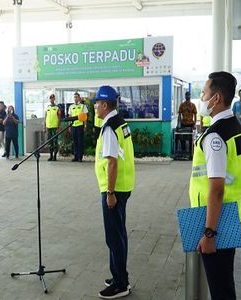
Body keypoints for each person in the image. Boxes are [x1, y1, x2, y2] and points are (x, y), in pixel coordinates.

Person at [190, 72, 241, 299]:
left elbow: (216, 189)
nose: (201, 98)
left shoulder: (215, 136)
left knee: (220, 287)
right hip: (232, 212)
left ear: (215, 99)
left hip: (218, 219)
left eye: (204, 93)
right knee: (223, 281)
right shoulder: (234, 125)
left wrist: (209, 233)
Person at [93, 85, 134, 299]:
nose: (95, 108)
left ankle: (120, 283)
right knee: (119, 234)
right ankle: (119, 275)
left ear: (105, 105)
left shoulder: (109, 127)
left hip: (114, 189)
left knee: (114, 237)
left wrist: (109, 192)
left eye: (97, 104)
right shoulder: (121, 123)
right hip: (123, 186)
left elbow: (112, 162)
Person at [68, 92, 88, 162]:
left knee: (80, 142)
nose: (75, 98)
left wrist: (85, 125)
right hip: (73, 126)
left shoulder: (83, 106)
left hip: (80, 125)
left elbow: (85, 117)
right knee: (75, 142)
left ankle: (80, 157)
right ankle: (75, 156)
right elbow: (70, 117)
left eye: (77, 97)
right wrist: (69, 126)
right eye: (74, 97)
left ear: (79, 98)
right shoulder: (71, 106)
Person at [44, 94, 61, 161]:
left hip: (55, 127)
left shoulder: (57, 108)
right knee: (50, 142)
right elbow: (45, 118)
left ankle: (55, 156)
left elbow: (59, 118)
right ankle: (51, 155)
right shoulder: (47, 107)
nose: (51, 99)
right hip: (48, 127)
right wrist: (44, 127)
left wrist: (58, 127)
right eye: (50, 98)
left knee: (55, 142)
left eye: (52, 98)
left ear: (54, 99)